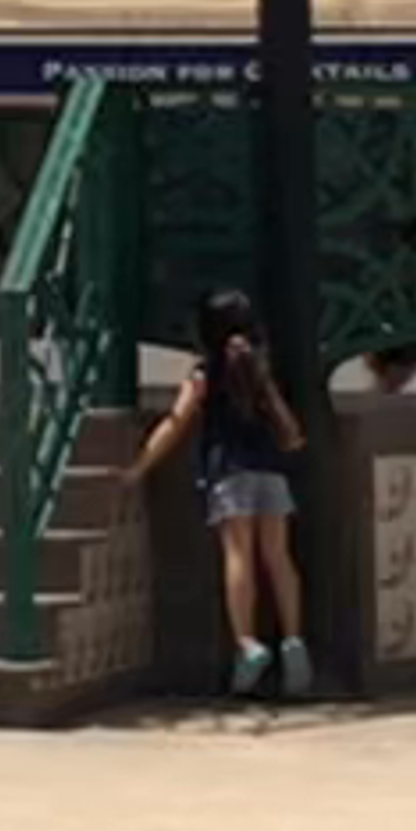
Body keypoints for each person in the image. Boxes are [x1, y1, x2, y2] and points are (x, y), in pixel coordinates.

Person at [142, 281, 310, 695]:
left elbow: (177, 422)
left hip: (228, 472)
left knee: (239, 556)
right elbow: (286, 422)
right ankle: (293, 641)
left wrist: (139, 467)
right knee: (278, 556)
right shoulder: (258, 369)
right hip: (271, 470)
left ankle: (247, 644)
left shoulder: (203, 374)